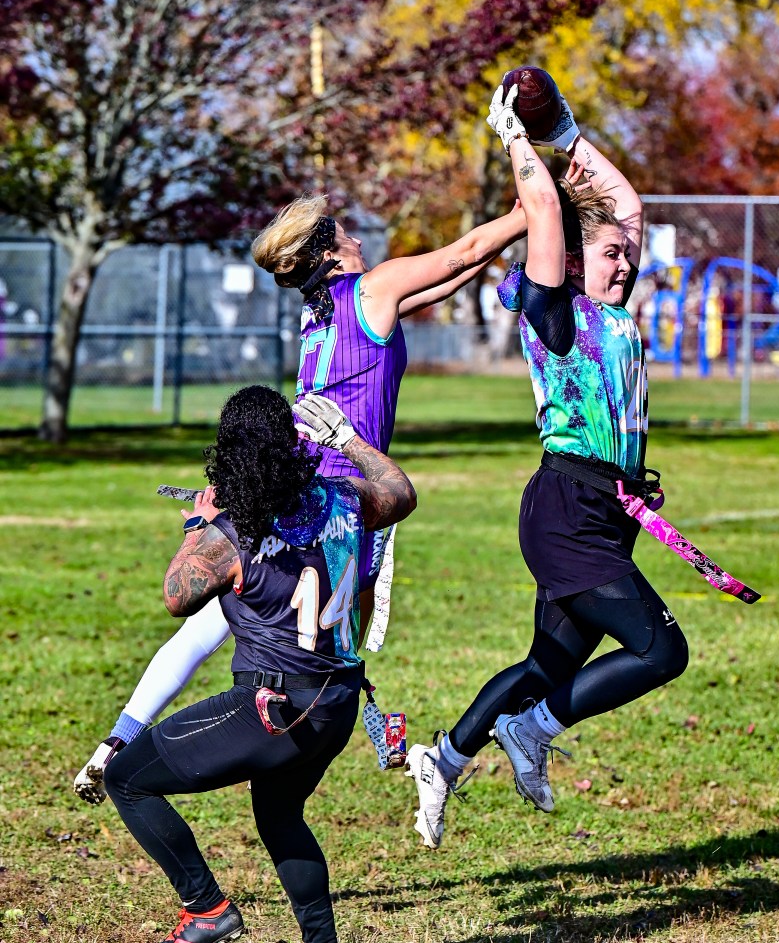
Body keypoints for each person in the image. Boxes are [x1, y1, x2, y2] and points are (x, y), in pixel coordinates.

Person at [74, 193, 527, 803]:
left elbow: (450, 276)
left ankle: (119, 738)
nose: (358, 238)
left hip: (293, 481)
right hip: (345, 496)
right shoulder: (371, 290)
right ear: (330, 253)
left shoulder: (323, 310)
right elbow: (462, 253)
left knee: (224, 615)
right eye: (345, 232)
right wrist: (532, 211)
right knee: (327, 644)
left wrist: (505, 244)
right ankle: (339, 743)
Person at [406, 78, 689, 849]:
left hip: (600, 509)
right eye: (608, 255)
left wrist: (563, 131)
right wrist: (514, 137)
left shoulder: (614, 311)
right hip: (566, 509)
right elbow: (542, 211)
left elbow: (624, 206)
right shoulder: (554, 311)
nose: (623, 263)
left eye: (625, 256)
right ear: (567, 262)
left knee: (546, 663)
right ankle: (529, 730)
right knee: (661, 650)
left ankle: (443, 757)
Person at [103, 386, 416, 943]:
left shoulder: (232, 534)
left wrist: (199, 525)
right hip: (337, 701)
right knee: (279, 815)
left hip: (274, 708)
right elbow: (400, 493)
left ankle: (206, 909)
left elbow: (176, 595)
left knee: (126, 778)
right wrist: (348, 440)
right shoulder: (343, 499)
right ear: (294, 446)